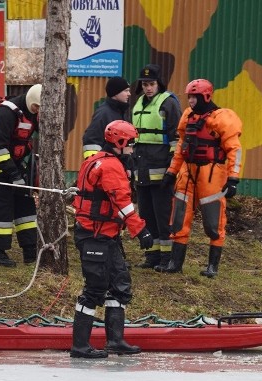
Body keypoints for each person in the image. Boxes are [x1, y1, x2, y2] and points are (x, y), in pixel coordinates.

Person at [71, 120, 153, 359]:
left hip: (105, 235)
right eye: (131, 144)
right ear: (119, 142)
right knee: (95, 289)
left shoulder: (95, 161)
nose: (132, 149)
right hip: (95, 235)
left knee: (120, 285)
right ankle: (80, 346)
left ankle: (115, 341)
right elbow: (122, 202)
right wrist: (141, 231)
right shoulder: (110, 167)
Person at [158, 78, 243, 276]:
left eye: (194, 97)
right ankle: (175, 264)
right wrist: (172, 172)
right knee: (179, 215)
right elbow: (181, 146)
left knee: (213, 220)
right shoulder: (188, 116)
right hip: (188, 171)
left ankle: (212, 266)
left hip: (212, 172)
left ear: (205, 96)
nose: (191, 101)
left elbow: (234, 150)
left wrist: (233, 179)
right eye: (189, 97)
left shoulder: (223, 118)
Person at [0, 84, 41, 267]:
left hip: (15, 165)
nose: (37, 111)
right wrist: (14, 175)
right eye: (36, 107)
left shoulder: (33, 113)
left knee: (26, 206)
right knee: (3, 207)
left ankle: (30, 251)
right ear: (30, 101)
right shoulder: (6, 113)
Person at [130, 64, 181, 270]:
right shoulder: (138, 103)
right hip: (141, 168)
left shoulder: (168, 103)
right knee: (146, 214)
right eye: (144, 84)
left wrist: (172, 170)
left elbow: (177, 139)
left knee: (163, 214)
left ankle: (167, 258)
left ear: (158, 84)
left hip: (161, 170)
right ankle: (151, 256)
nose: (148, 88)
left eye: (151, 84)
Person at [81, 76, 131, 159]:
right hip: (108, 166)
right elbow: (91, 141)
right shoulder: (104, 113)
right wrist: (96, 163)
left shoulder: (121, 111)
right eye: (126, 91)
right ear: (116, 93)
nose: (129, 94)